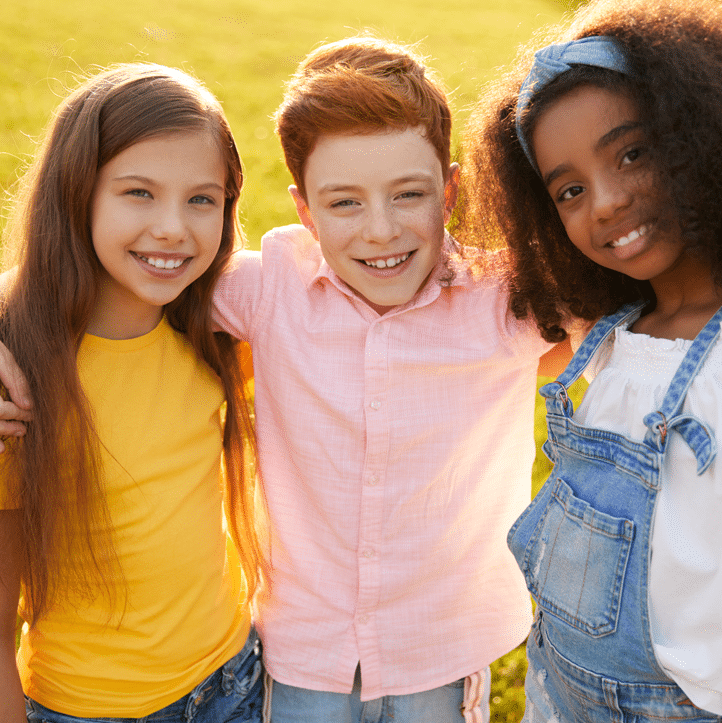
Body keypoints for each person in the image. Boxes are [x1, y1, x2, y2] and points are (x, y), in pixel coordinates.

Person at [208, 37, 568, 723]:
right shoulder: (270, 286)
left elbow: (642, 295)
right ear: (304, 209)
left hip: (439, 651)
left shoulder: (505, 299)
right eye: (344, 203)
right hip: (304, 652)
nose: (381, 231)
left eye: (409, 195)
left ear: (451, 189)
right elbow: (124, 277)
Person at [460, 0, 722, 720]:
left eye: (633, 153)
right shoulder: (605, 337)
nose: (604, 202)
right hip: (560, 691)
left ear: (697, 132)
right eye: (569, 190)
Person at [0, 64, 264, 723]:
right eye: (139, 192)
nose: (173, 227)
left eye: (201, 199)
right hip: (87, 707)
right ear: (76, 194)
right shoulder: (19, 379)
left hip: (234, 679)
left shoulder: (225, 330)